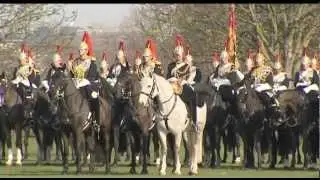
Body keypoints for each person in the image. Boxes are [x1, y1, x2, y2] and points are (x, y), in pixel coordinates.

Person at [70, 31, 100, 129]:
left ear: (86, 50)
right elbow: (72, 75)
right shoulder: (75, 62)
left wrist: (83, 81)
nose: (80, 52)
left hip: (89, 85)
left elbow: (92, 76)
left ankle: (96, 120)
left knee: (94, 97)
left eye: (82, 50)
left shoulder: (92, 62)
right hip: (77, 84)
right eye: (79, 50)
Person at [166, 35, 198, 126]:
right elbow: (168, 76)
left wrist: (183, 81)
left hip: (182, 85)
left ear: (182, 55)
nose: (178, 57)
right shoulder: (170, 66)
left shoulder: (186, 65)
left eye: (179, 55)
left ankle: (193, 119)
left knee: (193, 96)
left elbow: (188, 78)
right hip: (172, 85)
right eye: (176, 55)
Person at [250, 43, 278, 107]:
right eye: (256, 60)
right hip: (253, 89)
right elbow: (250, 80)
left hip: (264, 90)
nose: (257, 62)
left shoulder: (267, 70)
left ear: (263, 61)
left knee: (266, 99)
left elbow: (270, 83)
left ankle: (269, 112)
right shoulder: (252, 70)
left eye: (259, 60)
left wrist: (260, 87)